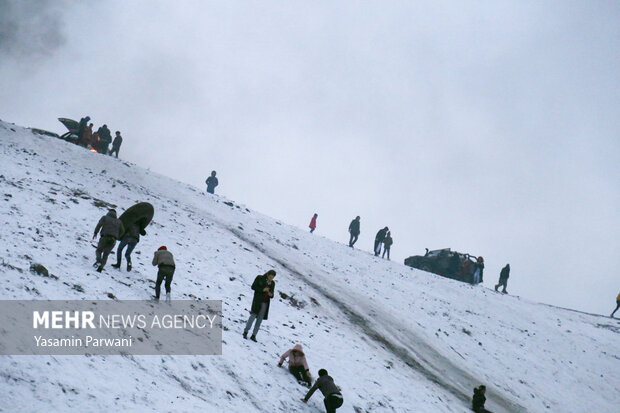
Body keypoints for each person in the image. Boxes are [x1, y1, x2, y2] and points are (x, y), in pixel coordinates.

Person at [243, 270, 276, 342]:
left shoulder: (272, 283)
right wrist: (263, 289)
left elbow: (272, 294)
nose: (271, 279)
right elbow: (253, 287)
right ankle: (245, 332)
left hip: (265, 303)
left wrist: (271, 294)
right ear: (267, 274)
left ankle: (254, 335)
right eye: (270, 277)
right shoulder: (259, 278)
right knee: (252, 316)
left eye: (272, 278)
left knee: (259, 320)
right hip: (257, 301)